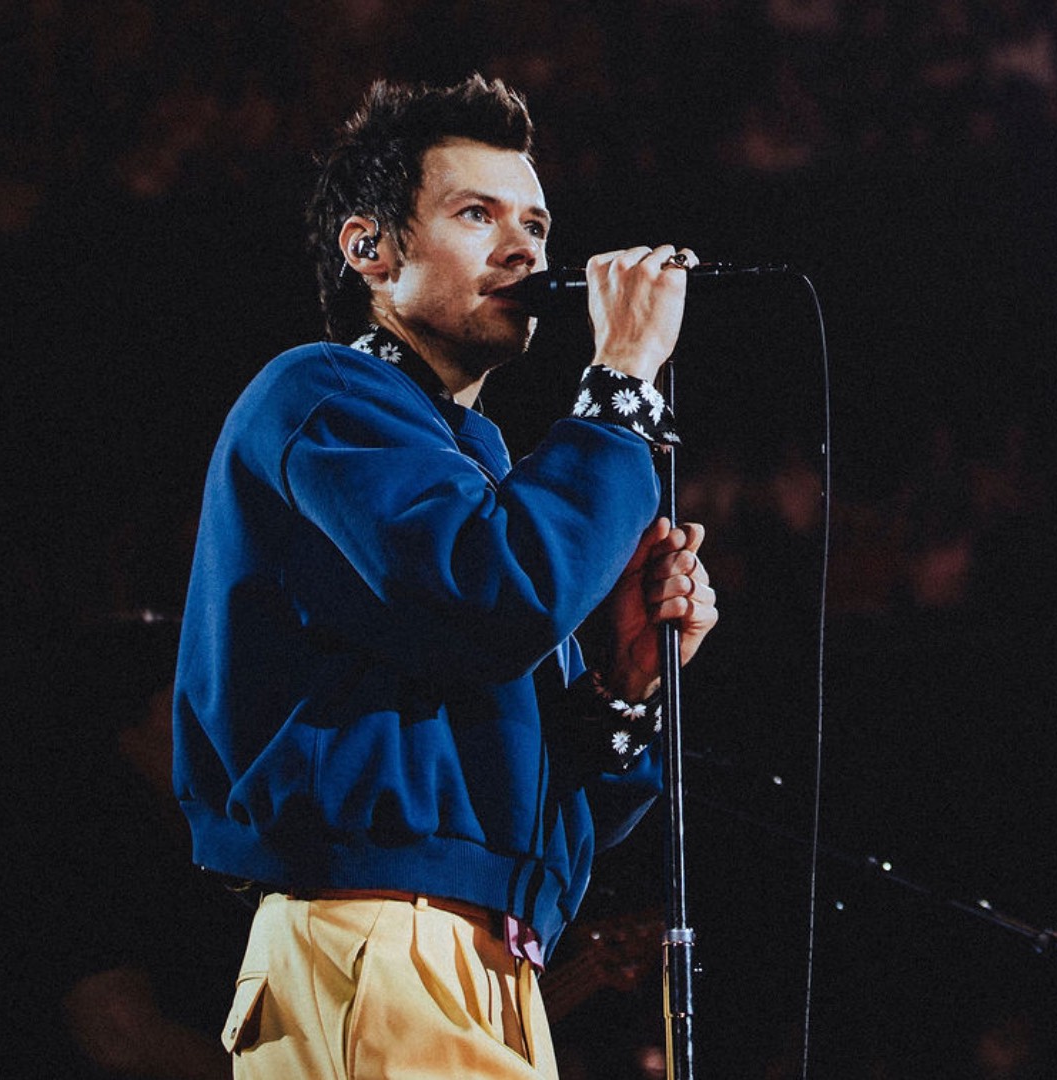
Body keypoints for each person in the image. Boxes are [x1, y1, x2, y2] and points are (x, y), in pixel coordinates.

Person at [173, 75, 718, 1079]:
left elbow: (529, 800)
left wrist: (627, 691)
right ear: (368, 249)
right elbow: (495, 592)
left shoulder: (480, 468)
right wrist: (623, 384)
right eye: (478, 215)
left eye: (537, 226)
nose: (524, 251)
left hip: (480, 954)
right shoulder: (321, 394)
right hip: (378, 936)